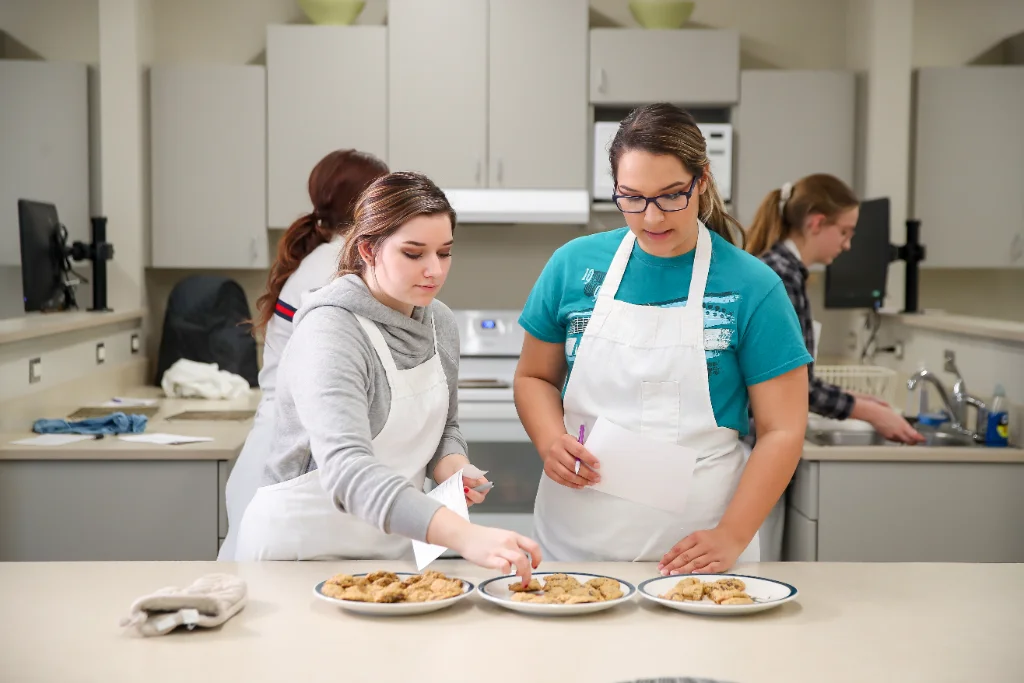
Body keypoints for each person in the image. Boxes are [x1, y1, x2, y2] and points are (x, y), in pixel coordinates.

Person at [514, 103, 812, 574]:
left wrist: (731, 535)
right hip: (572, 548)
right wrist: (549, 438)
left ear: (703, 180)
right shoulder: (573, 265)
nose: (651, 217)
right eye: (631, 197)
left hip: (697, 555)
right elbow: (534, 377)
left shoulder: (753, 286)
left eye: (671, 195)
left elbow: (783, 429)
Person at [235, 171, 541, 583]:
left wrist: (454, 467)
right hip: (299, 555)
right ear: (368, 249)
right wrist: (466, 536)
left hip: (389, 554)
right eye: (413, 254)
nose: (434, 269)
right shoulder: (331, 331)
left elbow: (445, 427)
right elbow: (347, 471)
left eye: (445, 252)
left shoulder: (440, 324)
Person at [219, 149, 389, 561]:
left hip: (282, 450)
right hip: (297, 464)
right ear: (365, 205)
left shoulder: (324, 262)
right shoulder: (341, 271)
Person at [746, 174, 923, 444]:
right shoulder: (780, 278)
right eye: (844, 232)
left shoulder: (782, 271)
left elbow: (796, 380)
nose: (847, 244)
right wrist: (871, 413)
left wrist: (857, 400)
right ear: (817, 222)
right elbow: (794, 388)